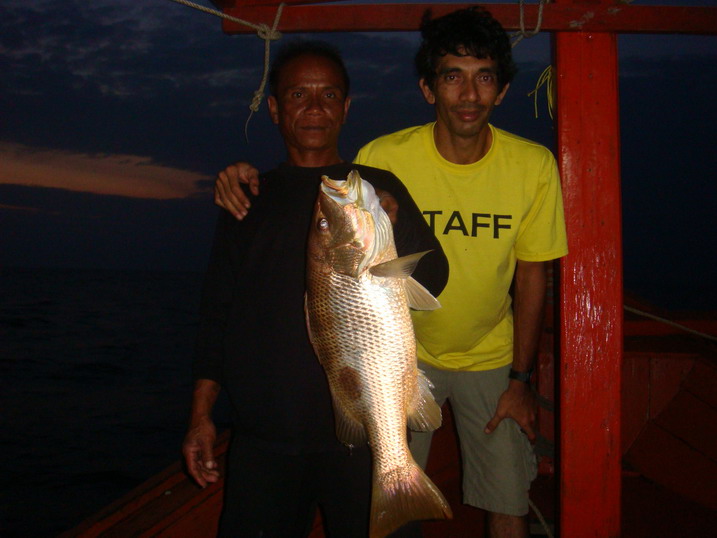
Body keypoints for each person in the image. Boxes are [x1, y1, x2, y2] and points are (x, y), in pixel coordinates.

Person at [214, 7, 568, 538]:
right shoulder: (383, 157)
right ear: (429, 90)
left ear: (501, 90)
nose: (469, 94)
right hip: (402, 352)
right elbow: (320, 194)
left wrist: (521, 379)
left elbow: (530, 275)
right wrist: (241, 176)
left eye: (484, 78)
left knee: (507, 497)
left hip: (490, 354)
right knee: (380, 475)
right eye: (453, 77)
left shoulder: (534, 165)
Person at [182, 40, 448, 538]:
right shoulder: (247, 197)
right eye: (299, 95)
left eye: (328, 95)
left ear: (346, 108)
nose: (314, 108)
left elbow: (435, 279)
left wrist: (392, 224)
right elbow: (216, 312)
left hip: (366, 436)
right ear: (277, 109)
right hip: (266, 438)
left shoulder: (374, 187)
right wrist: (201, 415)